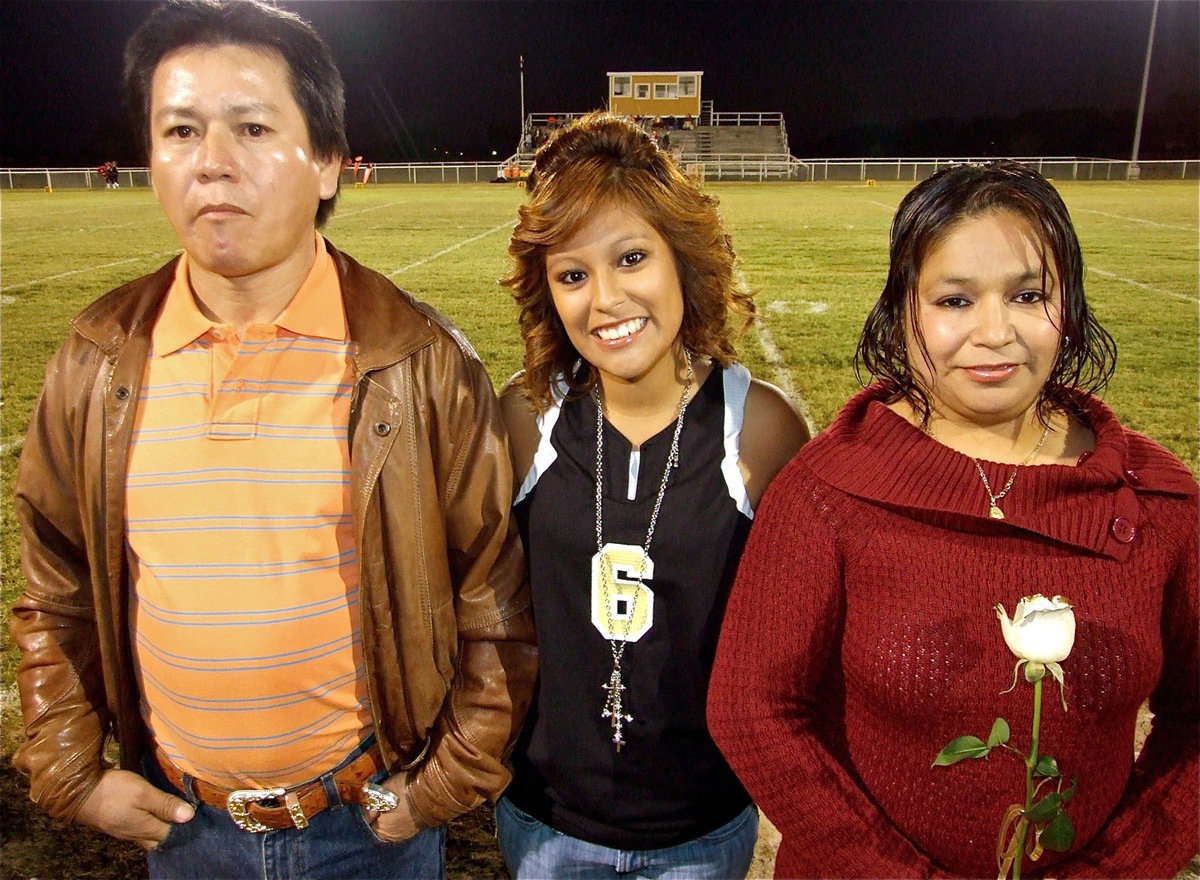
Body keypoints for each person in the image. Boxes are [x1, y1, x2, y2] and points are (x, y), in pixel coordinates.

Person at [10, 2, 536, 879]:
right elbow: (55, 591)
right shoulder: (96, 362)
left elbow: (495, 608)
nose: (213, 162)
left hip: (370, 827)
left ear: (329, 162)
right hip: (182, 830)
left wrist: (437, 789)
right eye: (181, 129)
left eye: (253, 127)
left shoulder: (420, 363)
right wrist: (71, 770)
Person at [709, 161, 1198, 878]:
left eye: (1028, 294)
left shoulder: (1157, 500)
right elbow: (752, 709)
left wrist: (1117, 870)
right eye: (955, 299)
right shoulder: (825, 490)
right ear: (902, 310)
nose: (994, 331)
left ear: (1071, 306)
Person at [496, 111, 809, 879]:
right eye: (573, 274)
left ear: (682, 260)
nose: (604, 299)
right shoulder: (523, 416)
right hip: (545, 823)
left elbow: (801, 635)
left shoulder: (759, 426)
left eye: (631, 257)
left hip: (700, 829)